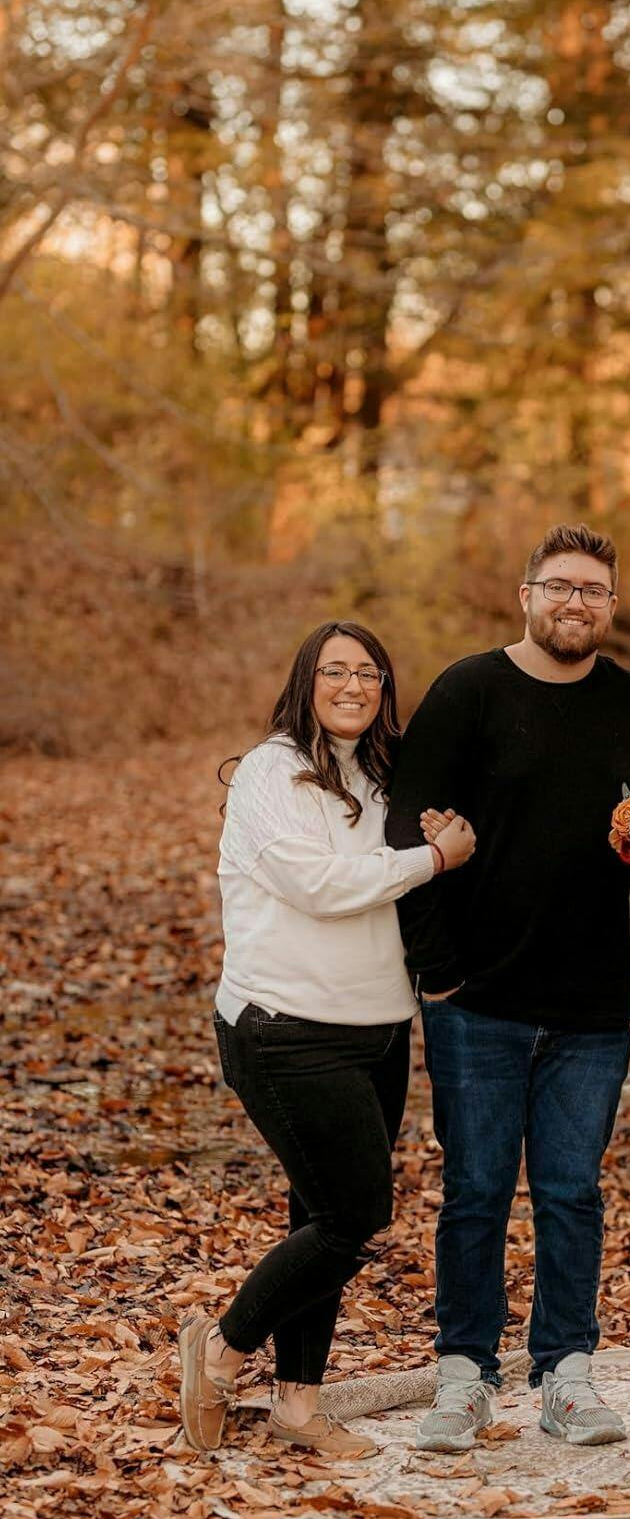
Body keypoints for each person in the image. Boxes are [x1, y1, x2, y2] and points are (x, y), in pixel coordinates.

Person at [386, 523, 630, 1452]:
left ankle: (565, 1375)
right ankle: (463, 1376)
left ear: (612, 607)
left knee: (571, 1194)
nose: (573, 603)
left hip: (593, 1006)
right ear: (526, 595)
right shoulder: (468, 691)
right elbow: (406, 827)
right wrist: (436, 970)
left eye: (592, 590)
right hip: (477, 1001)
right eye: (558, 586)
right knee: (474, 1191)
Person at [177, 621, 476, 1455]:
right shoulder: (270, 771)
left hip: (377, 1027)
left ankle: (298, 1405)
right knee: (354, 1219)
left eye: (369, 674)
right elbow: (316, 885)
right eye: (335, 672)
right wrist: (431, 859)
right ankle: (221, 1348)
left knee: (316, 1216)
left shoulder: (383, 772)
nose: (353, 687)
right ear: (305, 682)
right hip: (285, 1027)